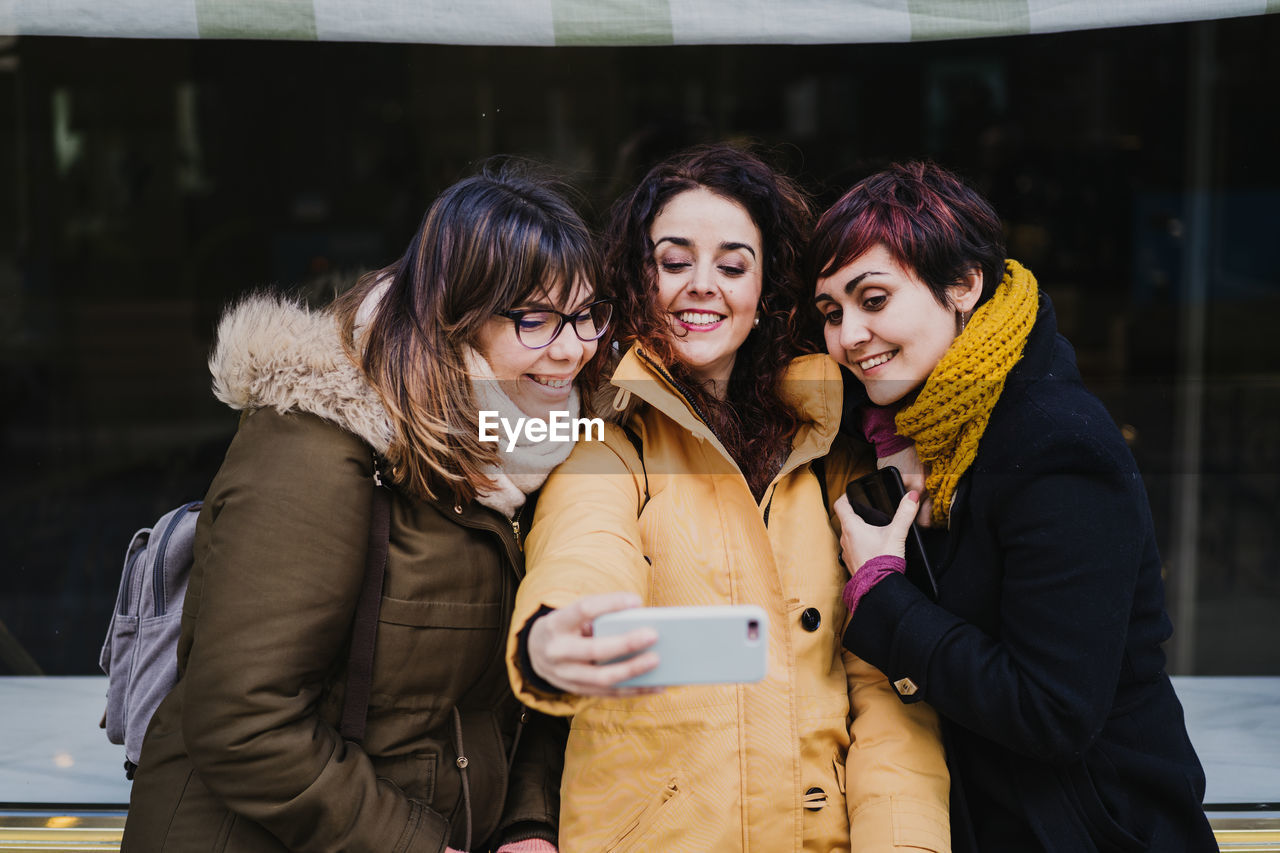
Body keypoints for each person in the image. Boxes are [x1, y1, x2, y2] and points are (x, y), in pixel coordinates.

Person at [122, 161, 613, 852]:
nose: (574, 348)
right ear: (456, 318)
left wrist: (529, 822)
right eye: (536, 318)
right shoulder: (318, 441)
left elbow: (508, 701)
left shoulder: (536, 448)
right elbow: (243, 717)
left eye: (588, 313)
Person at [504, 144, 951, 852]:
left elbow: (886, 692)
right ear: (637, 278)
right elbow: (583, 551)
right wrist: (551, 636)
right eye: (674, 262)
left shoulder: (832, 449)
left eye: (733, 265)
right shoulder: (610, 441)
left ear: (767, 288)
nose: (702, 285)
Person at [811, 161, 1218, 852]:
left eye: (873, 299)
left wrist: (880, 591)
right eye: (831, 312)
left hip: (1096, 830)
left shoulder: (1056, 444)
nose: (849, 335)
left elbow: (1052, 711)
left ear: (965, 284)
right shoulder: (913, 431)